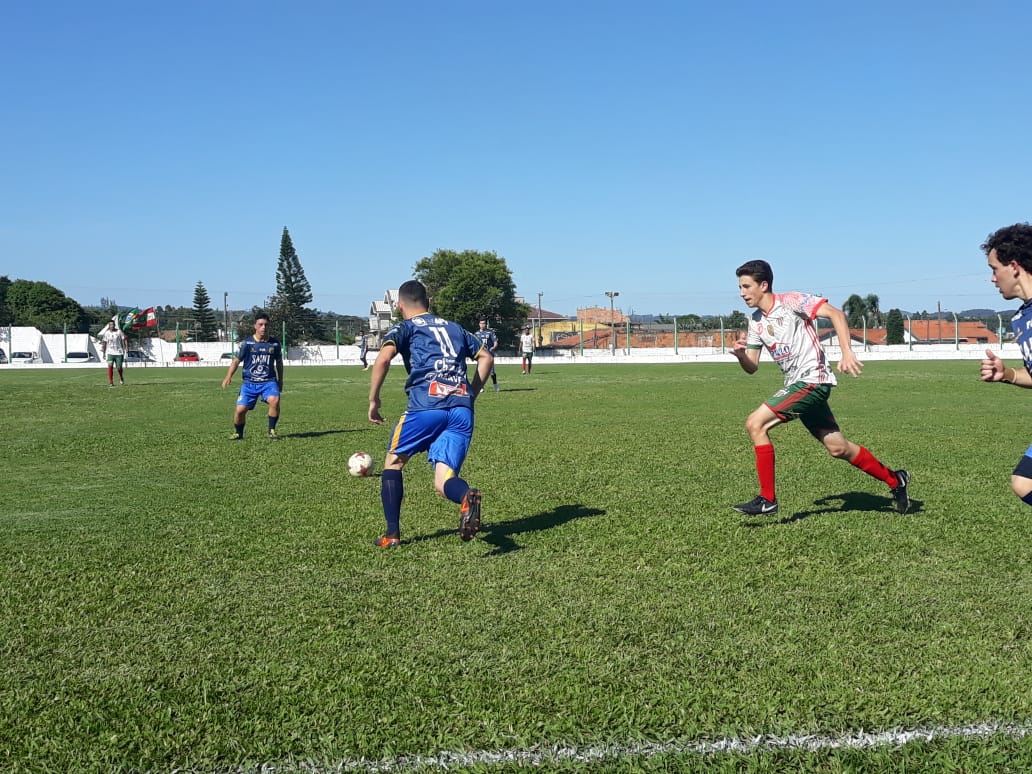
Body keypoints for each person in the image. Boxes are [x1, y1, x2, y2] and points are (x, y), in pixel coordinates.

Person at [730, 259, 910, 516]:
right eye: (740, 287)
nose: (742, 293)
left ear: (764, 285)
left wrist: (847, 352)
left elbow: (836, 314)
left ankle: (767, 499)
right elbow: (752, 366)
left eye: (746, 286)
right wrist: (740, 357)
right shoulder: (756, 321)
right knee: (838, 448)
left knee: (755, 423)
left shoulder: (792, 301)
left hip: (813, 380)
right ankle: (896, 480)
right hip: (798, 384)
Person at [368, 280, 494, 547]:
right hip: (461, 410)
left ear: (400, 305)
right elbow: (487, 358)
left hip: (426, 407)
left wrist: (374, 400)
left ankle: (392, 534)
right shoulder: (455, 327)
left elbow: (383, 359)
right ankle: (465, 496)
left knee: (394, 463)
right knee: (443, 481)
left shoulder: (406, 327)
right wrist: (469, 392)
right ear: (429, 302)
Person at [979, 222, 1032, 506]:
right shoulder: (1021, 319)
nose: (992, 279)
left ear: (1013, 266)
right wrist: (1008, 373)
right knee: (1024, 482)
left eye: (994, 269)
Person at [221, 312, 284, 440]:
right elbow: (236, 361)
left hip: (268, 381)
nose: (263, 327)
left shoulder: (275, 344)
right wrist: (228, 377)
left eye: (266, 325)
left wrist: (280, 380)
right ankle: (238, 433)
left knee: (275, 400)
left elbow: (279, 362)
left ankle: (271, 430)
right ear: (255, 326)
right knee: (240, 410)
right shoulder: (247, 344)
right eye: (260, 324)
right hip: (249, 382)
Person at [98, 320, 128, 386]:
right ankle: (111, 382)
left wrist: (126, 349)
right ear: (109, 326)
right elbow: (104, 343)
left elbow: (125, 338)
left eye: (113, 325)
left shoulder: (119, 332)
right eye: (110, 325)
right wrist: (103, 353)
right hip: (110, 352)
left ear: (115, 325)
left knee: (119, 367)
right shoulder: (106, 333)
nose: (112, 326)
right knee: (110, 366)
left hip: (119, 352)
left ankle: (121, 377)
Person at [473, 318, 500, 392]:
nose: (482, 325)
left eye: (484, 323)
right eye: (481, 323)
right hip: (481, 356)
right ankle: (481, 387)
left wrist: (493, 347)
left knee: (492, 372)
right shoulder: (476, 334)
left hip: (489, 355)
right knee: (480, 371)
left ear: (486, 324)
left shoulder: (490, 333)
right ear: (479, 324)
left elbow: (495, 342)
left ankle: (495, 385)